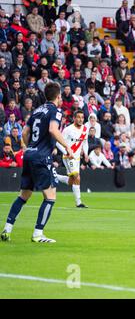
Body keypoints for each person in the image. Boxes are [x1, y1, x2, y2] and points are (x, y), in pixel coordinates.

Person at [1, 83, 74, 243]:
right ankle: (38, 234)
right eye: (61, 96)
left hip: (29, 155)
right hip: (41, 157)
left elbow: (25, 133)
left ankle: (7, 228)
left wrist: (31, 147)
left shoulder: (37, 110)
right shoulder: (56, 111)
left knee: (24, 195)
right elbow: (53, 130)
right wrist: (67, 146)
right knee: (50, 196)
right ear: (58, 96)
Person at [55, 110, 89, 208]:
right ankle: (79, 203)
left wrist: (86, 153)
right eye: (78, 117)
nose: (80, 119)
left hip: (77, 158)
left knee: (71, 181)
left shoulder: (85, 129)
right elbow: (58, 142)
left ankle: (54, 176)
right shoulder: (68, 129)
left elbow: (85, 143)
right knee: (77, 177)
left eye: (82, 117)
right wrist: (66, 152)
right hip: (68, 157)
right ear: (74, 118)